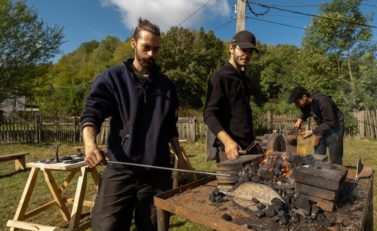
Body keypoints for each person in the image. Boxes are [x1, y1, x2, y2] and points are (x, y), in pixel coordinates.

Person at [80, 18, 184, 231]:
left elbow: (170, 126)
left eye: (156, 49)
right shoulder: (112, 78)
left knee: (154, 227)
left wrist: (181, 156)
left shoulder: (166, 85)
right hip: (120, 169)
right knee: (106, 226)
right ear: (134, 43)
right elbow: (92, 113)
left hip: (157, 173)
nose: (151, 54)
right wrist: (90, 145)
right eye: (146, 47)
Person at [204, 30, 259, 163]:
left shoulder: (245, 80)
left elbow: (244, 113)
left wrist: (254, 139)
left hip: (249, 148)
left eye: (250, 51)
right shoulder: (219, 77)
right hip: (230, 151)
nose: (246, 55)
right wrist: (227, 142)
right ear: (231, 49)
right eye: (243, 50)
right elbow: (209, 114)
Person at [288, 86, 344, 165]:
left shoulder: (322, 101)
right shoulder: (305, 104)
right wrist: (300, 119)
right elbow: (305, 112)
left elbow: (330, 122)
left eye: (297, 102)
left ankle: (337, 170)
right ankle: (319, 170)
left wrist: (312, 132)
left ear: (304, 97)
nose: (297, 105)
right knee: (318, 152)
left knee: (335, 154)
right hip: (322, 126)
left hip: (335, 126)